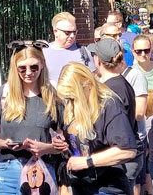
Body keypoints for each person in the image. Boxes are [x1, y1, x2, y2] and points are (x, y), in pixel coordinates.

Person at [0, 41, 66, 195]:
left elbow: (64, 141)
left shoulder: (52, 97)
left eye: (34, 67)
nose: (28, 72)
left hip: (41, 168)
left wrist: (46, 148)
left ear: (42, 64)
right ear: (15, 68)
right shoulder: (2, 95)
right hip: (8, 168)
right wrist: (4, 143)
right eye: (22, 68)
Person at [57, 62, 137, 195]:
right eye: (68, 98)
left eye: (73, 97)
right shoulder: (73, 108)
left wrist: (87, 161)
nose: (71, 102)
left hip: (107, 187)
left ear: (88, 85)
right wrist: (64, 144)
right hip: (81, 184)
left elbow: (127, 150)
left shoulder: (109, 105)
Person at [88, 38, 147, 195]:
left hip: (121, 160)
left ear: (98, 60)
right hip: (126, 157)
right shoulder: (121, 83)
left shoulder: (111, 90)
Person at [43, 12, 95, 86]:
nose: (72, 36)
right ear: (55, 32)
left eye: (74, 32)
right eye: (67, 32)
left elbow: (93, 80)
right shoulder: (43, 52)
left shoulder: (83, 52)